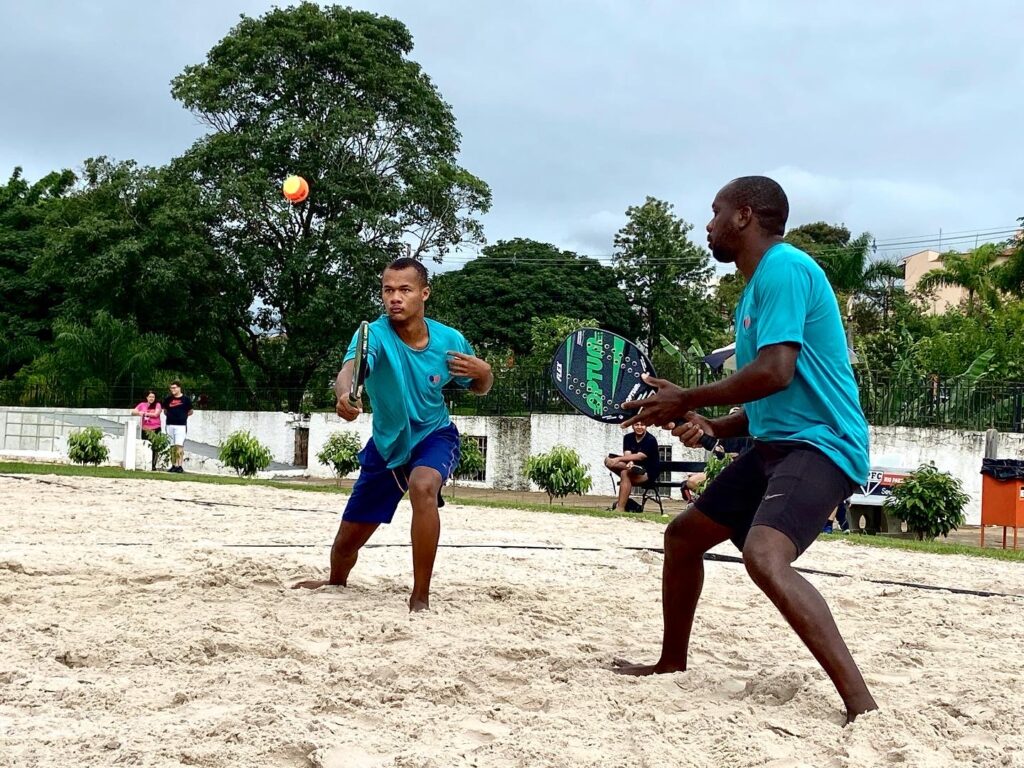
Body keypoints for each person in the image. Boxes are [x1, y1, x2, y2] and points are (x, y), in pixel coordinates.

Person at [615, 176, 877, 723]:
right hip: (776, 445)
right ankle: (671, 663)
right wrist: (710, 424)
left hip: (823, 446)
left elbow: (775, 373)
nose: (707, 224)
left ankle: (862, 706)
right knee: (683, 537)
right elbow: (767, 401)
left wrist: (686, 396)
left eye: (715, 212)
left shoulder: (784, 267)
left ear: (745, 216)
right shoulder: (757, 289)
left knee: (763, 556)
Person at [293, 257, 493, 611]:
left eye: (405, 289)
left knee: (423, 486)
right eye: (388, 290)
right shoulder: (373, 333)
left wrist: (485, 373)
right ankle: (336, 581)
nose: (395, 298)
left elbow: (478, 387)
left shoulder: (450, 339)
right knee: (344, 546)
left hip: (434, 435)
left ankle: (420, 598)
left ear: (424, 293)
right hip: (386, 446)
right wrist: (344, 394)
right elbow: (351, 369)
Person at [604, 422, 661, 512]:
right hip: (631, 467)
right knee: (609, 461)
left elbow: (640, 456)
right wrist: (630, 462)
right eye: (636, 425)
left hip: (648, 472)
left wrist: (618, 459)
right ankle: (632, 468)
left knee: (625, 472)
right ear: (632, 426)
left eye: (642, 425)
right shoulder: (628, 437)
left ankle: (620, 508)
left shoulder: (650, 439)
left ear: (646, 426)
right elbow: (627, 453)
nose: (639, 427)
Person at [161, 381, 193, 474]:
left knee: (179, 445)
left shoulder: (186, 399)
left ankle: (179, 465)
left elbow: (190, 411)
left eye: (174, 388)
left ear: (179, 388)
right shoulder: (168, 399)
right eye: (171, 388)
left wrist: (182, 416)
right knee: (172, 445)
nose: (173, 390)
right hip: (170, 424)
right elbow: (165, 410)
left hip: (181, 425)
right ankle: (174, 465)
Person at [132, 390, 163, 470]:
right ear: (147, 397)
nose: (151, 398)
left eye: (153, 397)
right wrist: (139, 413)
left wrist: (146, 413)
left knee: (155, 447)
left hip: (155, 428)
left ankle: (153, 465)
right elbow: (133, 412)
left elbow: (156, 414)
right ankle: (145, 464)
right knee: (145, 446)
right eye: (150, 397)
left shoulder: (157, 405)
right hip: (145, 429)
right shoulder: (142, 404)